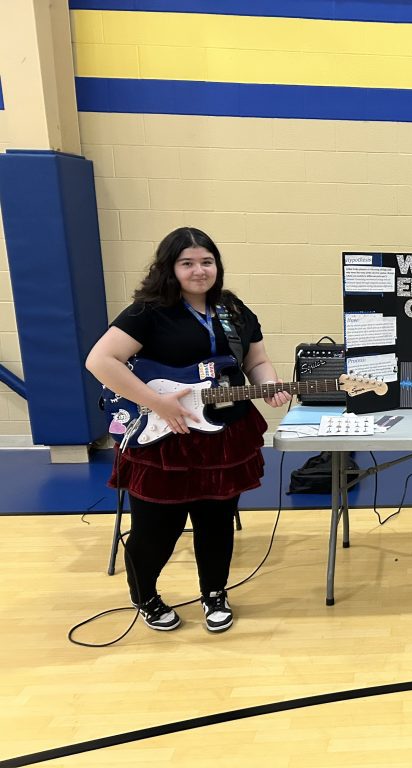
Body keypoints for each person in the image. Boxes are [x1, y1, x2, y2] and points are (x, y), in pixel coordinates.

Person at [85, 227, 291, 633]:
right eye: (188, 263)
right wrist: (156, 401)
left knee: (217, 521)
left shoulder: (233, 310)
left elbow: (256, 361)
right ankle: (145, 596)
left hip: (224, 434)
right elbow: (100, 360)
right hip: (164, 439)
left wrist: (268, 385)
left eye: (207, 262)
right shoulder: (148, 312)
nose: (199, 271)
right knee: (157, 530)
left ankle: (214, 593)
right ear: (170, 268)